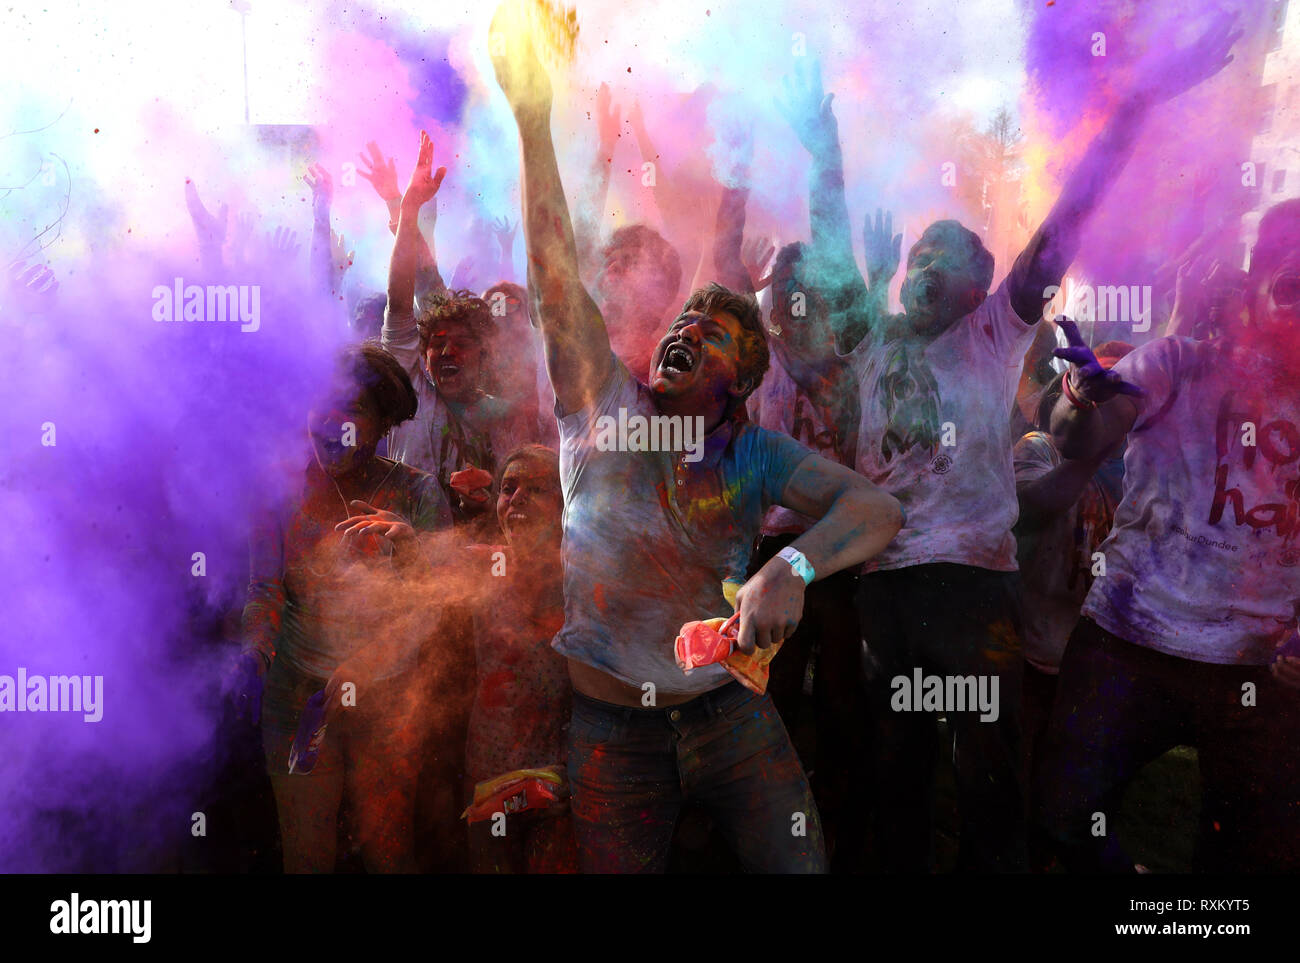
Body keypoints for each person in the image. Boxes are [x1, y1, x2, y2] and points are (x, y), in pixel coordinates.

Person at [772, 18, 1242, 871]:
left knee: (991, 784)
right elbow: (835, 247)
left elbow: (1067, 221)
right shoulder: (871, 336)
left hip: (973, 591)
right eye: (918, 251)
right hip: (883, 588)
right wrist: (824, 146)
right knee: (896, 778)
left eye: (944, 258)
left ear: (984, 288)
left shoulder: (991, 334)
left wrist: (1139, 102)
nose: (922, 265)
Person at [489, 15, 903, 874]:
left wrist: (789, 568)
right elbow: (555, 276)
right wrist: (534, 118)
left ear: (743, 381)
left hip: (729, 713)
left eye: (712, 333)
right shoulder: (601, 398)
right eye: (686, 319)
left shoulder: (756, 452)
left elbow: (875, 506)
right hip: (610, 730)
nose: (685, 332)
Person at [1035, 198, 1300, 873]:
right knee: (1065, 822)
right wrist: (1079, 395)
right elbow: (1077, 437)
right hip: (1128, 643)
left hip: (1258, 668)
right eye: (1285, 265)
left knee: (1248, 855)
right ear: (1260, 272)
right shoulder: (1176, 361)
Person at [234, 342, 452, 873]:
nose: (332, 420)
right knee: (306, 857)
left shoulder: (418, 493)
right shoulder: (279, 492)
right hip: (296, 697)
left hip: (390, 702)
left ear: (383, 422)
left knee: (389, 852)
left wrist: (411, 554)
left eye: (353, 407)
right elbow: (266, 591)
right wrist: (253, 657)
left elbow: (441, 605)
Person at [1011, 342, 1131, 868]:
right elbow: (1037, 503)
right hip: (1023, 649)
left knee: (1077, 788)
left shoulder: (1145, 472)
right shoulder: (1037, 447)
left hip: (1093, 663)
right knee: (1013, 776)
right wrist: (1098, 446)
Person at [382, 131, 533, 524]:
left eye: (463, 343)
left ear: (485, 353)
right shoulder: (411, 389)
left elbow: (512, 513)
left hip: (464, 573)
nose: (447, 351)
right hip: (391, 564)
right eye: (437, 342)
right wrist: (407, 208)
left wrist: (481, 509)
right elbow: (407, 295)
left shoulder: (502, 418)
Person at [463, 445, 577, 873]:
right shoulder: (485, 567)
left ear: (568, 502)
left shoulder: (587, 580)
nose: (518, 499)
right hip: (489, 773)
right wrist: (402, 546)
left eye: (539, 488)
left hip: (562, 779)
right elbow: (427, 561)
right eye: (508, 488)